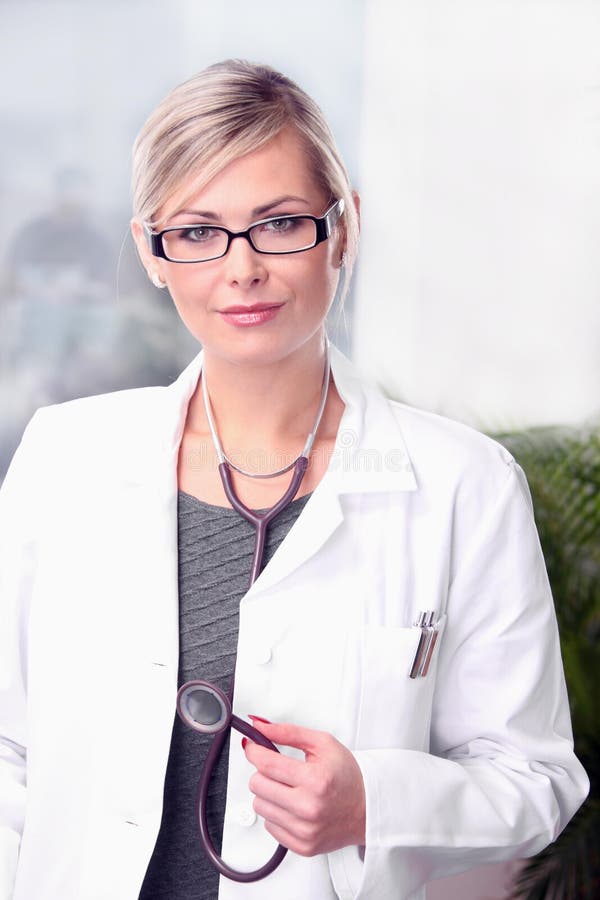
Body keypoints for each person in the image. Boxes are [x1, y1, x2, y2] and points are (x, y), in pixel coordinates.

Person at [0, 60, 589, 900]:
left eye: (278, 223)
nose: (240, 269)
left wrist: (373, 803)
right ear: (152, 252)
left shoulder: (464, 485)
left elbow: (534, 777)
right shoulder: (66, 458)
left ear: (342, 229)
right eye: (198, 232)